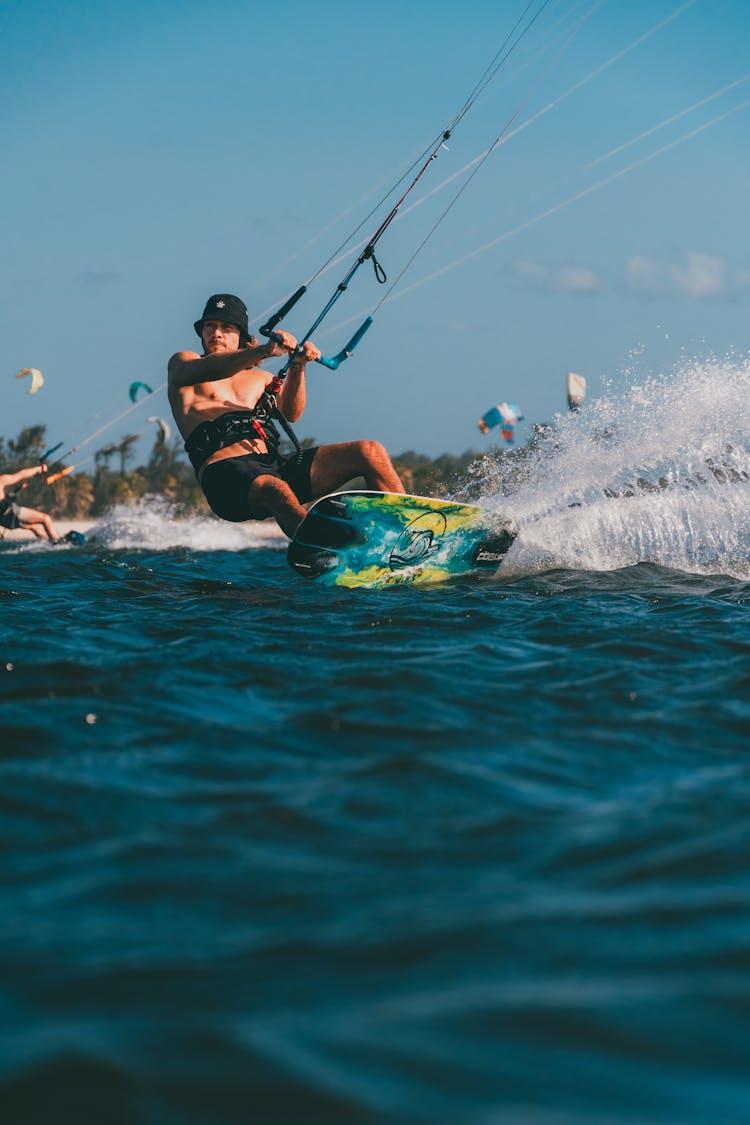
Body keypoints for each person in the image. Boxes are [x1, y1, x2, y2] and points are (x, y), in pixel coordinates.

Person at [167, 293, 405, 537]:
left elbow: (292, 413)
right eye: (210, 326)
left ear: (241, 336)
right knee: (275, 488)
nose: (216, 333)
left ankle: (407, 530)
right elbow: (209, 368)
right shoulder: (185, 364)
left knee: (369, 451)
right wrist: (265, 351)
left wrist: (298, 366)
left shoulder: (261, 379)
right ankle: (326, 551)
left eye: (225, 327)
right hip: (225, 478)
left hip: (271, 466)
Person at [0, 464, 59, 541]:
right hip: (11, 514)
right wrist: (38, 469)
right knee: (45, 518)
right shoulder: (1, 480)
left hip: (4, 521)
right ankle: (57, 542)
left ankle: (50, 542)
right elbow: (19, 475)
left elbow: (20, 475)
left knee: (34, 527)